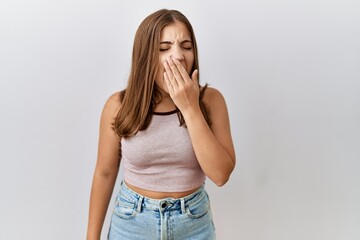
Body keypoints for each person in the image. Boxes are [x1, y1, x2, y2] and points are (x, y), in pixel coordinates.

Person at [86, 9, 236, 240]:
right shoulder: (118, 105)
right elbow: (104, 173)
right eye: (164, 48)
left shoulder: (211, 101)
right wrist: (91, 237)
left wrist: (190, 108)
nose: (177, 56)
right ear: (146, 56)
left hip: (193, 224)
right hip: (132, 223)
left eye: (186, 47)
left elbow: (220, 175)